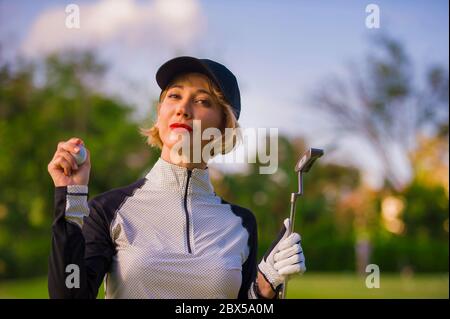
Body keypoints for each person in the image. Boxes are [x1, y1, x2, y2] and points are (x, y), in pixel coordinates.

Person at [47, 56, 306, 299]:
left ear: (223, 125)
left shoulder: (241, 223)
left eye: (203, 101)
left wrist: (265, 285)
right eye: (174, 96)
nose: (183, 108)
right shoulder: (109, 209)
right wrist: (71, 198)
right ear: (160, 113)